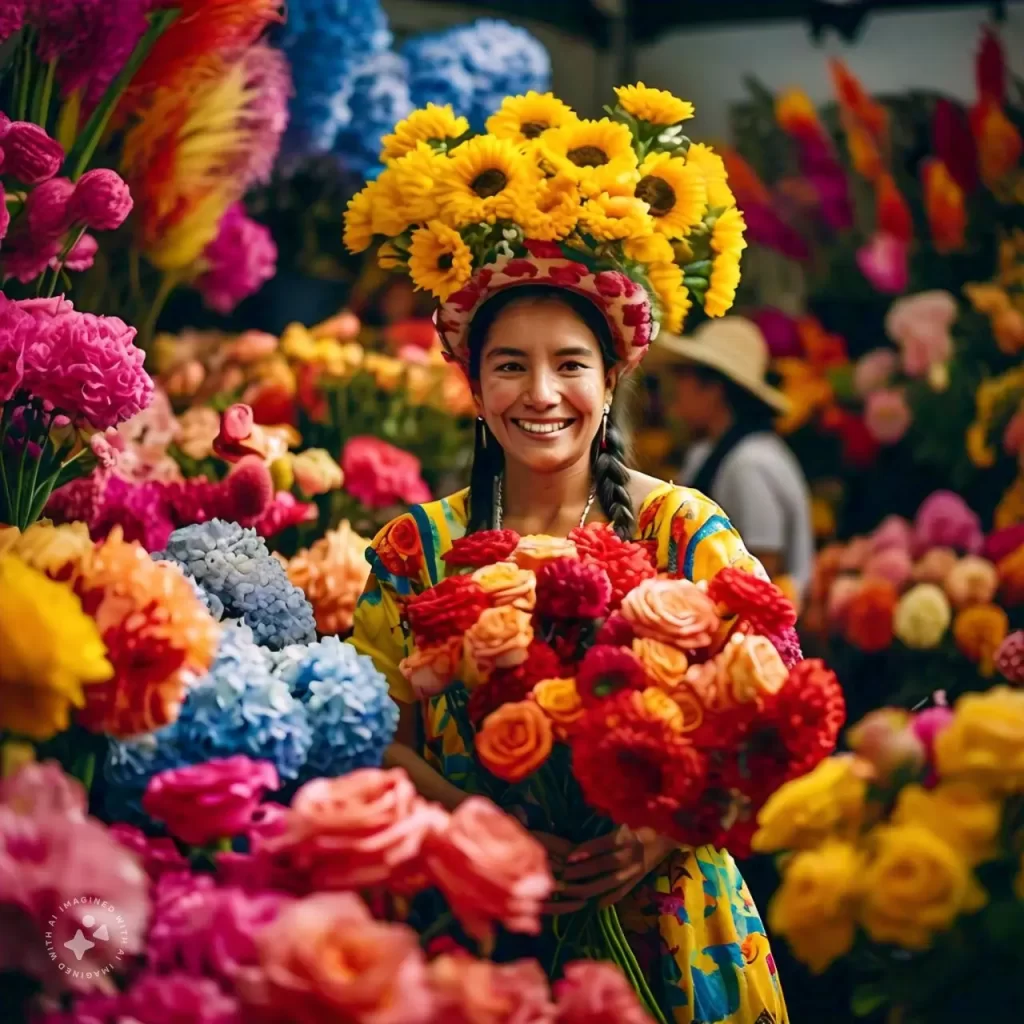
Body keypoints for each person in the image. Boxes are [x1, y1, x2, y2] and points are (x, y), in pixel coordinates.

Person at [346, 83, 790, 1024]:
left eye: (570, 364)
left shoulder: (683, 530)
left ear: (611, 379)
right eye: (509, 365)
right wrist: (489, 828)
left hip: (674, 932)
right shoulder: (414, 546)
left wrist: (655, 830)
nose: (540, 394)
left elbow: (768, 711)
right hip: (475, 926)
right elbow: (370, 732)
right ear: (472, 387)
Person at [651, 318, 814, 604]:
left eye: (683, 375)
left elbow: (762, 570)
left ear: (713, 388)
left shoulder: (749, 464)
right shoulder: (713, 453)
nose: (675, 390)